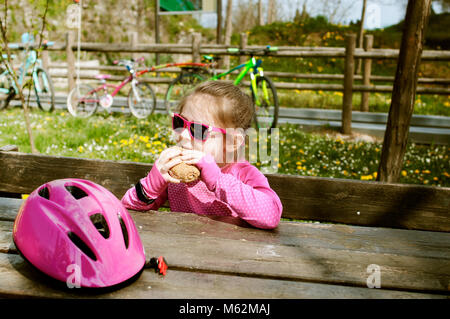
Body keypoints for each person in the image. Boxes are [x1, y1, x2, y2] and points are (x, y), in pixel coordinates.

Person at [121, 81, 282, 229]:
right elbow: (126, 213)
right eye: (179, 122)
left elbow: (272, 214)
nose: (182, 135)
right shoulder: (174, 177)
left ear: (232, 141)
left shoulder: (243, 174)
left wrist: (217, 180)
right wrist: (150, 186)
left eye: (198, 129)